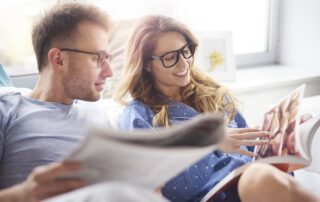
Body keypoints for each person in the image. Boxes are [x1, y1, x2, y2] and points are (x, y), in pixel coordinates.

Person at [115, 15, 320, 202]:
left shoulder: (214, 95)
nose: (184, 63)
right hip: (214, 196)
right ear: (146, 64)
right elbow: (149, 181)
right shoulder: (138, 116)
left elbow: (252, 150)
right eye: (170, 57)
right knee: (259, 177)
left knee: (263, 176)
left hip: (254, 181)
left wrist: (283, 133)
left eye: (186, 51)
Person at [0, 3, 116, 201]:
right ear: (58, 59)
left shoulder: (100, 114)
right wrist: (22, 195)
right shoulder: (7, 109)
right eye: (97, 58)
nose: (109, 72)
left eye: (108, 57)